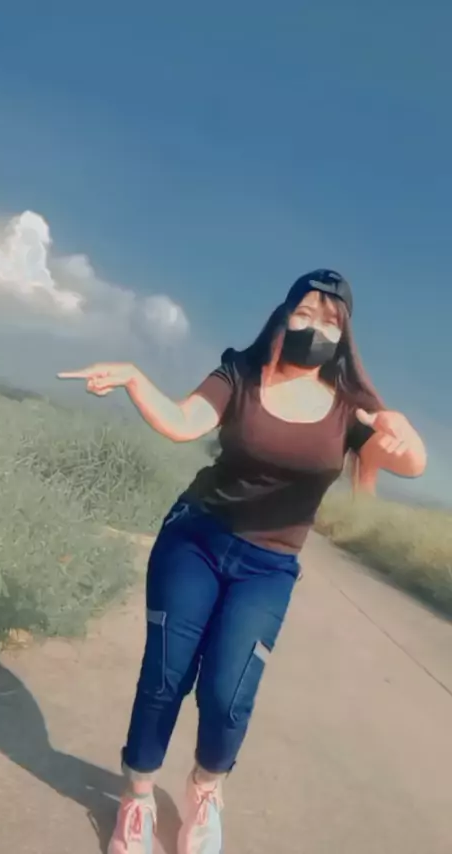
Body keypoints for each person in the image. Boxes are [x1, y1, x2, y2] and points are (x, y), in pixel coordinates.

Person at [58, 269, 426, 854]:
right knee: (165, 677)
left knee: (228, 694)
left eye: (331, 321)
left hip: (268, 566)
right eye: (305, 312)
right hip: (195, 540)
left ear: (346, 336)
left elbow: (408, 462)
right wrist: (133, 377)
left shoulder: (349, 410)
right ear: (283, 314)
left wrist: (401, 429)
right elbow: (184, 422)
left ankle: (206, 790)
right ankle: (138, 795)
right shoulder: (240, 373)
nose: (316, 328)